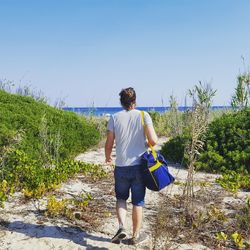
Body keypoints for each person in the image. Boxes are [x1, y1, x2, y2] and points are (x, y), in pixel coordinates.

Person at [105, 87, 158, 245]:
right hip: (138, 166)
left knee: (121, 198)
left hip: (121, 166)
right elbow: (154, 141)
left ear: (121, 102)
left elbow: (109, 144)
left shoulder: (114, 118)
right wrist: (144, 144)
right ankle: (135, 236)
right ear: (134, 101)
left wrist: (108, 158)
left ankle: (121, 227)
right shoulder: (143, 115)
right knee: (138, 202)